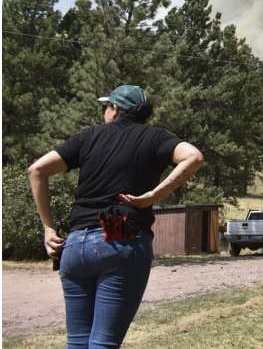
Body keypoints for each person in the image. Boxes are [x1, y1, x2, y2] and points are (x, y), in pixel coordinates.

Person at [28, 84, 203, 348]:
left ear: (115, 109)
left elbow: (37, 170)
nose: (104, 112)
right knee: (103, 343)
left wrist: (48, 229)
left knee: (77, 342)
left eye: (105, 107)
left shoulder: (88, 137)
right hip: (119, 236)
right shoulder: (154, 137)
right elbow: (193, 157)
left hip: (75, 243)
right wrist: (152, 196)